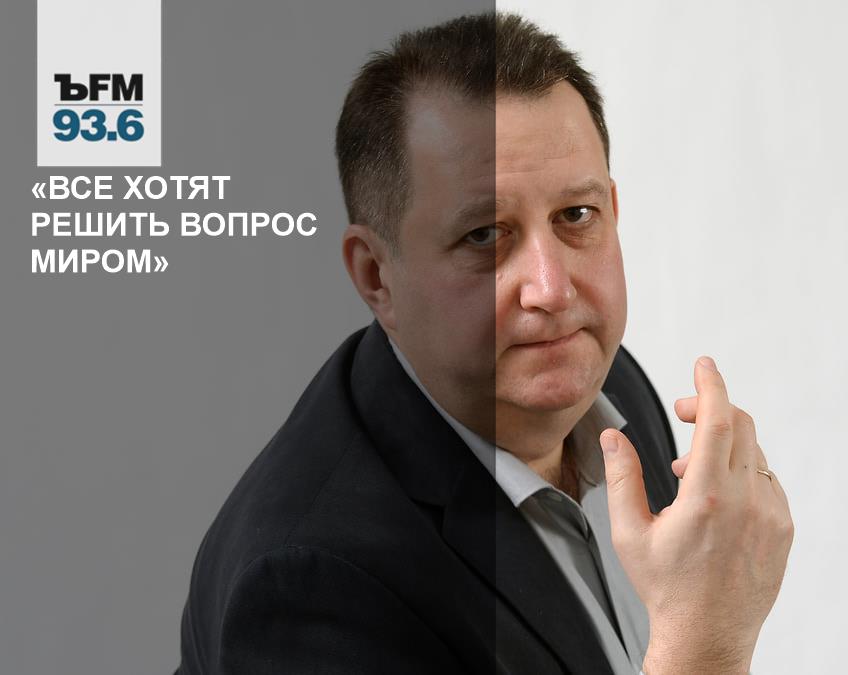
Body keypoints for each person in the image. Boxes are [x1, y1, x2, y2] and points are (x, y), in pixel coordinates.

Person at [176, 12, 792, 674]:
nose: (552, 291)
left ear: (612, 210)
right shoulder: (312, 586)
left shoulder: (606, 384)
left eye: (576, 216)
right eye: (485, 235)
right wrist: (707, 645)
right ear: (377, 275)